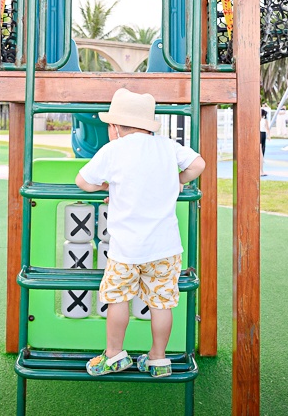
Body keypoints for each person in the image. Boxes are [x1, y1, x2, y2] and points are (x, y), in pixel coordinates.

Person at [75, 89, 206, 378]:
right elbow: (198, 164)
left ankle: (114, 355)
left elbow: (82, 181)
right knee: (161, 304)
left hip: (126, 250)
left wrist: (108, 187)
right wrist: (178, 181)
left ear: (115, 127)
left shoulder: (114, 150)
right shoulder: (166, 146)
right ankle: (158, 358)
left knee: (118, 299)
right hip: (166, 249)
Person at [259, 108, 269, 177]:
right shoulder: (265, 120)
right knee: (262, 150)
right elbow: (267, 128)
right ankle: (261, 170)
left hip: (260, 133)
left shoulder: (259, 120)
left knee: (260, 152)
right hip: (263, 134)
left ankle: (261, 171)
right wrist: (269, 135)